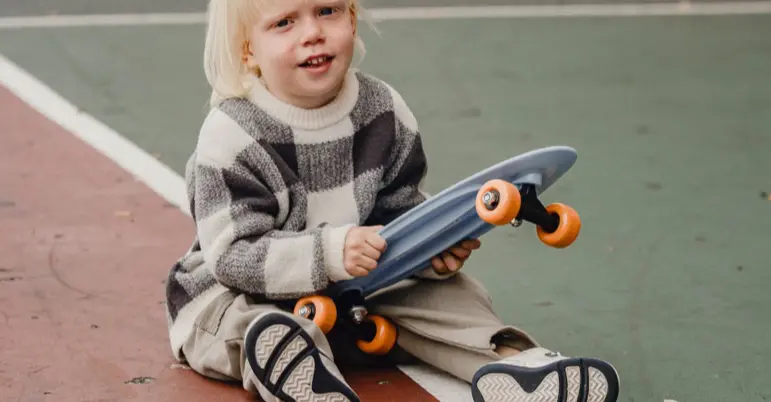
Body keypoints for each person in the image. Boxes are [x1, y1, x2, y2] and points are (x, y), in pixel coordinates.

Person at [164, 0, 621, 401]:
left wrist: (431, 255)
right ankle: (293, 364)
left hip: (361, 294)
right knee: (232, 320)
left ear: (352, 18)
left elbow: (398, 216)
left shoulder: (382, 109)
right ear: (247, 49)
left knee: (454, 294)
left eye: (327, 10)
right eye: (285, 22)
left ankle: (515, 366)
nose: (312, 33)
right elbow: (233, 256)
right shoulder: (231, 133)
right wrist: (330, 253)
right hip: (249, 290)